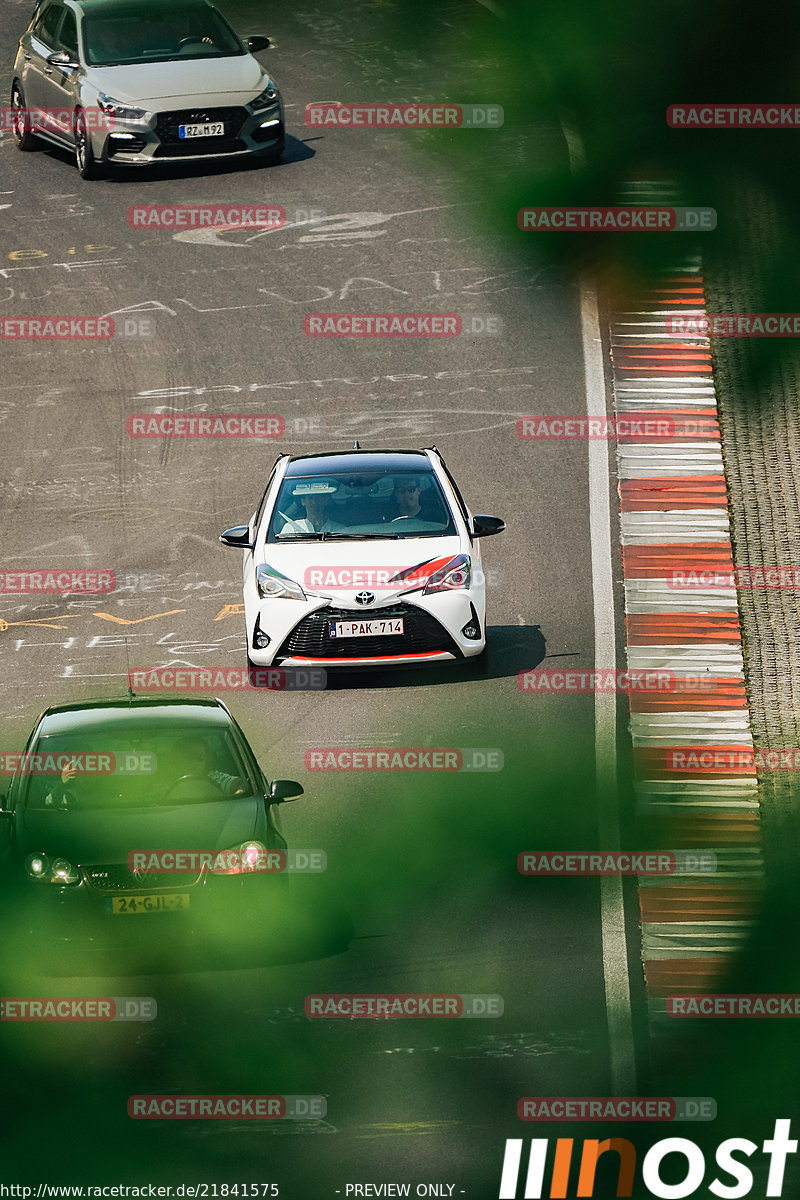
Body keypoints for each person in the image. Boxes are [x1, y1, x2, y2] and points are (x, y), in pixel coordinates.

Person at [170, 736, 246, 796]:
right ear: (176, 759)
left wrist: (236, 797)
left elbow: (241, 784)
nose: (194, 762)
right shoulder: (164, 780)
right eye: (189, 757)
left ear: (206, 760)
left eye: (200, 758)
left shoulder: (213, 776)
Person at [277, 482, 344, 535]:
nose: (315, 502)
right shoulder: (291, 528)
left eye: (319, 498)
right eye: (310, 498)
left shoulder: (339, 529)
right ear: (303, 501)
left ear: (325, 501)